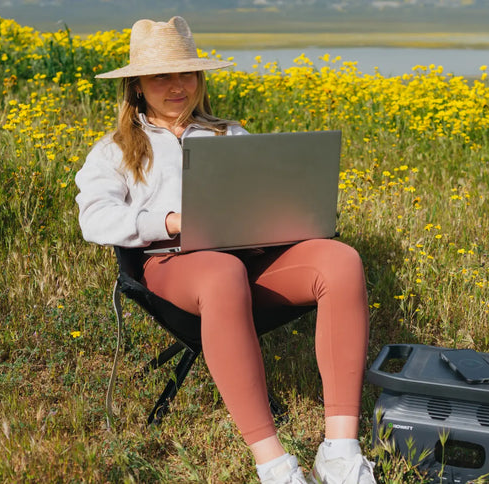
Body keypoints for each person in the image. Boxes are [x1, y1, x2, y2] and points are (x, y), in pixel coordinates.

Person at [74, 17, 376, 484]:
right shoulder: (115, 150)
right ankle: (274, 465)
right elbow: (94, 220)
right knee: (218, 272)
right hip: (171, 264)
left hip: (248, 257)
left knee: (341, 260)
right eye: (161, 76)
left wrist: (291, 217)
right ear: (136, 86)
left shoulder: (229, 134)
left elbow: (267, 199)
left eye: (187, 74)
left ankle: (340, 451)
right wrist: (169, 221)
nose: (177, 86)